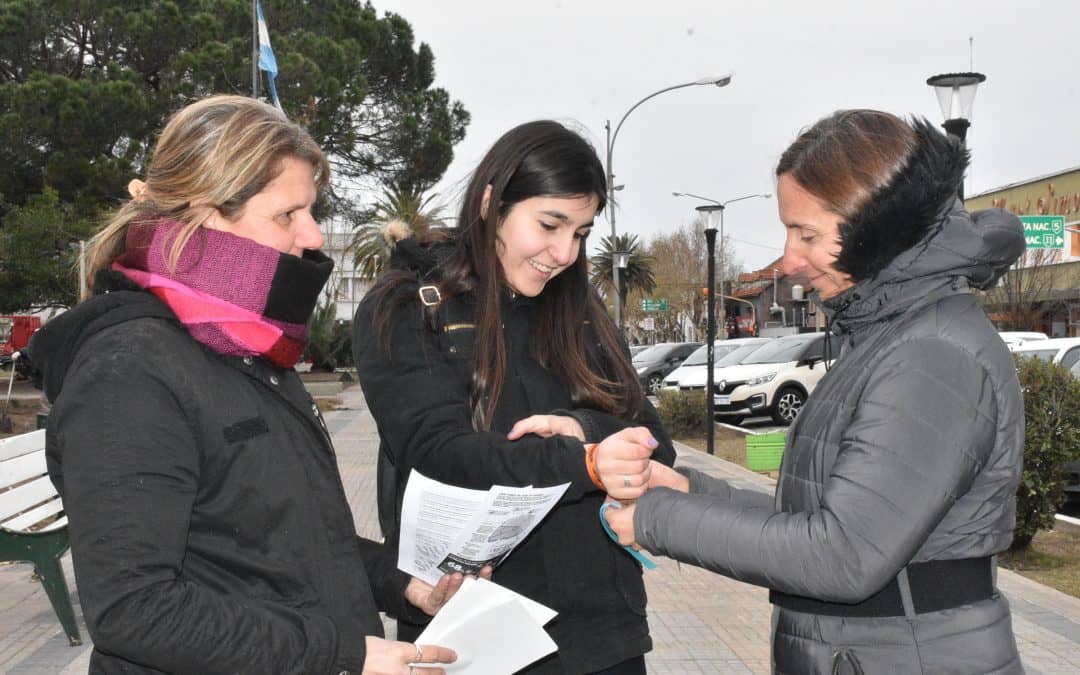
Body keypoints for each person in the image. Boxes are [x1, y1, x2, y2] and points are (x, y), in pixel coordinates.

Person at [25, 95, 466, 675]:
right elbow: (134, 609)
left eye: (310, 211)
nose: (311, 236)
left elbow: (281, 540)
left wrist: (404, 584)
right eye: (287, 215)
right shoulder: (128, 370)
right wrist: (341, 655)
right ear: (206, 215)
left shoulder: (251, 347)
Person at [604, 110, 1026, 674]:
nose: (791, 260)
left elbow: (843, 554)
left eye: (808, 234)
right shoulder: (891, 335)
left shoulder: (931, 355)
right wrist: (685, 490)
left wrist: (658, 518)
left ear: (879, 227)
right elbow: (822, 517)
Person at [352, 120, 676, 674]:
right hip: (473, 635)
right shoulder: (410, 307)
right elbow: (438, 452)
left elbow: (657, 444)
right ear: (491, 203)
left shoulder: (582, 311)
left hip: (603, 638)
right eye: (550, 224)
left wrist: (587, 433)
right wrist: (585, 462)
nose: (564, 252)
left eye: (580, 232)